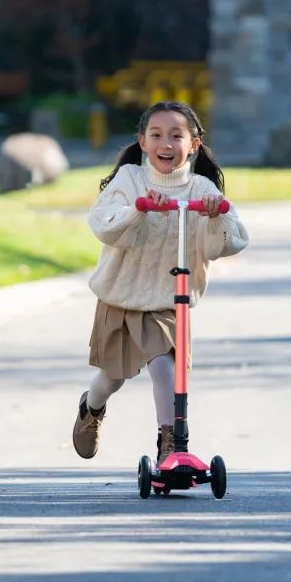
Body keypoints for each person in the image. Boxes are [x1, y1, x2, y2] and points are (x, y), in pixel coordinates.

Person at [72, 100, 248, 464]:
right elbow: (103, 225)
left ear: (194, 144)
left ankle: (171, 443)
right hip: (122, 295)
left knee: (163, 366)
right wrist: (138, 208)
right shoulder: (129, 181)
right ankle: (91, 408)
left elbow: (229, 242)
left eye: (176, 136)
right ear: (143, 142)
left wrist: (215, 216)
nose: (166, 144)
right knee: (112, 378)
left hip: (169, 299)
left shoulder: (201, 190)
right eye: (156, 135)